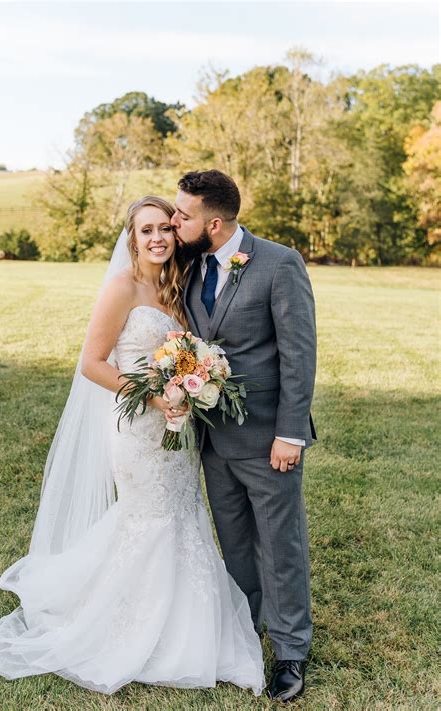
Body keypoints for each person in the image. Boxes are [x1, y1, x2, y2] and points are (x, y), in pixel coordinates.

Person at [0, 196, 265, 697]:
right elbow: (92, 363)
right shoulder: (122, 287)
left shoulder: (177, 288)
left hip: (179, 427)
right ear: (131, 237)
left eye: (165, 229)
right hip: (137, 429)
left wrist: (195, 383)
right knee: (149, 518)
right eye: (146, 230)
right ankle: (132, 628)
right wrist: (156, 397)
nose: (157, 238)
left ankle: (186, 622)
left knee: (181, 514)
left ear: (177, 235)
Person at [172, 170, 317, 704]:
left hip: (267, 440)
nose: (173, 220)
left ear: (213, 223)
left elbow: (300, 355)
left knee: (281, 546)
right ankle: (248, 630)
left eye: (183, 215)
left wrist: (290, 435)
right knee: (234, 543)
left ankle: (291, 650)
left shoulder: (279, 263)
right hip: (211, 440)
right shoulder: (187, 264)